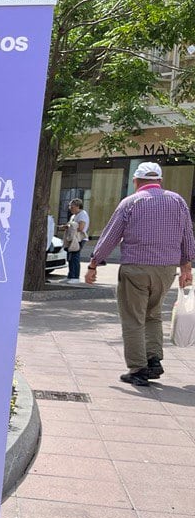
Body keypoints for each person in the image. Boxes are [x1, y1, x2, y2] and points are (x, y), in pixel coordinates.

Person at [86, 161, 195, 386]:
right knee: (153, 314)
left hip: (135, 268)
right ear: (159, 181)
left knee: (134, 318)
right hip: (166, 270)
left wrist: (94, 263)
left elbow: (111, 235)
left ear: (136, 181)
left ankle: (138, 368)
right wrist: (186, 268)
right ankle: (154, 359)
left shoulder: (131, 202)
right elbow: (187, 236)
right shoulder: (177, 201)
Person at [61, 198, 89, 280]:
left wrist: (70, 227)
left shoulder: (82, 214)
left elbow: (80, 228)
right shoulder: (74, 216)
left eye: (72, 207)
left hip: (79, 238)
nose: (70, 208)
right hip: (73, 238)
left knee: (75, 257)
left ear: (78, 206)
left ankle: (75, 277)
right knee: (70, 257)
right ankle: (70, 276)